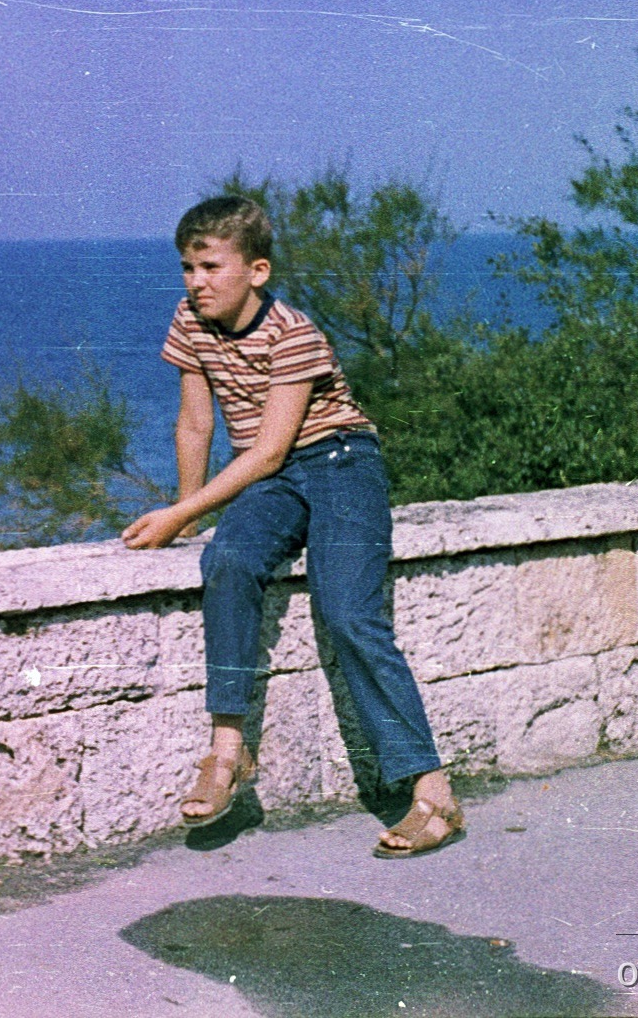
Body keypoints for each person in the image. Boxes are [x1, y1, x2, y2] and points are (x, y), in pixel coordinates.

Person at [120, 194, 462, 858]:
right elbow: (196, 424)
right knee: (225, 563)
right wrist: (187, 517)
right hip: (271, 479)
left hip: (339, 463)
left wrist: (182, 513)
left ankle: (433, 789)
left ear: (256, 270)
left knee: (346, 611)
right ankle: (227, 751)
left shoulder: (294, 334)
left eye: (211, 267)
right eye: (188, 268)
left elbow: (271, 447)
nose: (196, 282)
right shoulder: (190, 323)